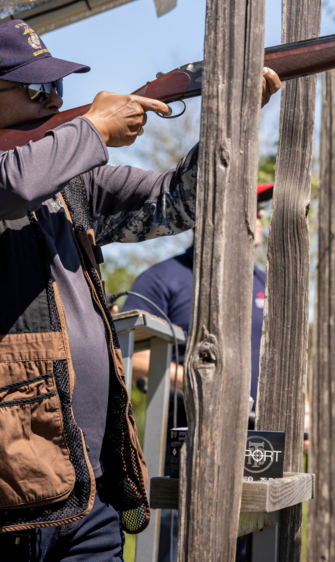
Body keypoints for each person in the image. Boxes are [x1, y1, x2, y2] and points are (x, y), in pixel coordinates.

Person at [0, 17, 280, 562]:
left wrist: (234, 122)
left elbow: (180, 202)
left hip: (83, 479)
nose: (54, 99)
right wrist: (93, 128)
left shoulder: (69, 179)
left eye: (56, 85)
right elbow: (14, 182)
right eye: (35, 89)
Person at [120, 184, 274, 562]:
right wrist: (209, 386)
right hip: (181, 446)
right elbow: (127, 356)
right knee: (178, 546)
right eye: (251, 206)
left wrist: (302, 413)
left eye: (261, 208)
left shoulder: (263, 283)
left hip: (257, 446)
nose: (260, 215)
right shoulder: (162, 279)